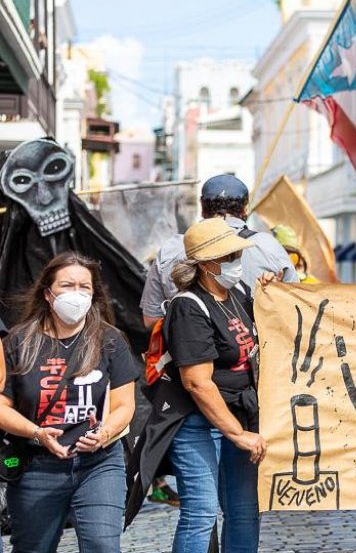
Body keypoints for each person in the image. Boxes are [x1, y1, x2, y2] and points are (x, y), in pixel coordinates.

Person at [0, 252, 139, 552]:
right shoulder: (17, 342)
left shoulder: (110, 340)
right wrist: (36, 432)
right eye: (67, 285)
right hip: (36, 466)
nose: (76, 294)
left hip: (99, 464)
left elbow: (125, 405)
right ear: (48, 294)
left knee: (102, 544)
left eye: (84, 287)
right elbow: (1, 405)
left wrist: (103, 434)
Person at [161, 218, 271, 553]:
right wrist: (237, 435)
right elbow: (196, 382)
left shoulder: (239, 294)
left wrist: (271, 293)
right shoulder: (188, 306)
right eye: (231, 256)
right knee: (201, 512)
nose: (238, 262)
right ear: (207, 264)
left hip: (239, 414)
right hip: (197, 424)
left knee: (243, 511)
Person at [139, 173, 297, 328]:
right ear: (245, 208)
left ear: (202, 207)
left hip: (186, 350)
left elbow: (151, 319)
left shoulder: (171, 248)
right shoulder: (268, 246)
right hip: (255, 349)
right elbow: (297, 309)